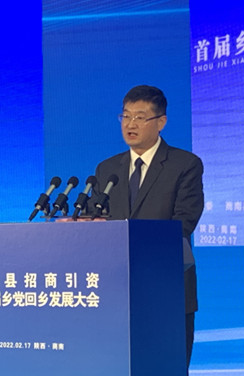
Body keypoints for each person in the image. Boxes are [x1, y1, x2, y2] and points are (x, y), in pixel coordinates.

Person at [90, 85, 204, 371]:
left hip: (166, 289)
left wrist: (135, 245)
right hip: (115, 291)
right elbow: (95, 221)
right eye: (126, 116)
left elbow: (184, 221)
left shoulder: (184, 165)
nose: (130, 124)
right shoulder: (107, 169)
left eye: (140, 117)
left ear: (160, 122)